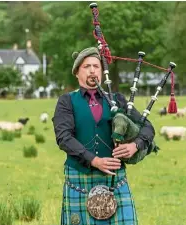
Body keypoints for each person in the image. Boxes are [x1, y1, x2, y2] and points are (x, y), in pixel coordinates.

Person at [52, 47, 155, 225]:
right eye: (86, 66)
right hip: (80, 179)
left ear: (102, 71)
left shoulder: (118, 100)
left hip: (115, 181)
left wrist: (134, 146)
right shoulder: (66, 101)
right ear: (77, 72)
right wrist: (94, 160)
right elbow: (64, 138)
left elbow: (147, 127)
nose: (92, 70)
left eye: (96, 66)